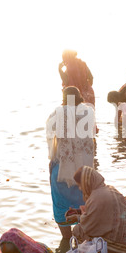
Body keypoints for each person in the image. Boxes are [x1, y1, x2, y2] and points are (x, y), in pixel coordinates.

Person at [46, 86, 96, 241]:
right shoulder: (89, 111)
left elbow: (50, 133)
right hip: (84, 170)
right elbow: (94, 133)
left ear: (64, 98)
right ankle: (84, 236)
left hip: (62, 168)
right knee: (84, 202)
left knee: (61, 204)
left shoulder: (57, 113)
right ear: (79, 96)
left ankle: (67, 239)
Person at [65, 166, 126, 253]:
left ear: (86, 182)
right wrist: (78, 212)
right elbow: (99, 215)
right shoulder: (110, 189)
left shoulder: (96, 197)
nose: (80, 188)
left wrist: (77, 218)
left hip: (122, 248)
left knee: (78, 230)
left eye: (80, 185)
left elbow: (89, 225)